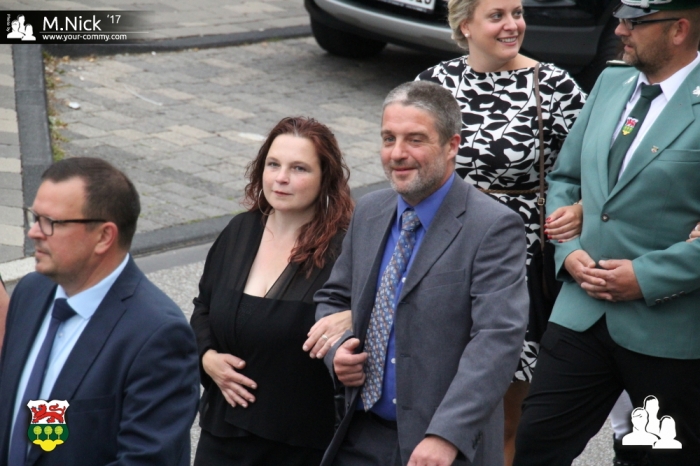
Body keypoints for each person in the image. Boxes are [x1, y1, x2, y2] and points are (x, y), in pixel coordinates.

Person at [514, 1, 700, 465]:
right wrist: (568, 249)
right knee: (535, 444)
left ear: (679, 30)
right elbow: (565, 179)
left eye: (634, 22)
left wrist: (647, 277)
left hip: (666, 328)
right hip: (581, 312)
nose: (619, 30)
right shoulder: (611, 82)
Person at [315, 80, 529, 466]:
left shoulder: (492, 227)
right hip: (360, 435)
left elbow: (497, 341)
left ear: (452, 145)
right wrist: (337, 349)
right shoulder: (369, 211)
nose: (397, 153)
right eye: (388, 138)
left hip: (442, 447)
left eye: (415, 140)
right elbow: (333, 299)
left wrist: (446, 436)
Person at [415, 0, 586, 462]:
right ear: (465, 25)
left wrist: (581, 208)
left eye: (518, 12)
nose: (513, 25)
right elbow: (410, 167)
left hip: (518, 262)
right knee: (432, 396)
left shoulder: (552, 85)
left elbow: (601, 167)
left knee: (507, 414)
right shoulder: (435, 85)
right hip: (443, 256)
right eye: (497, 16)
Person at [0, 157, 200, 466]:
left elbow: (146, 460)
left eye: (51, 222)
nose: (34, 232)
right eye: (34, 217)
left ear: (104, 237)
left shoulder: (158, 337)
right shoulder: (31, 291)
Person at [190, 116, 354, 465]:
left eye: (299, 168)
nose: (281, 178)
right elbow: (203, 306)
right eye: (273, 164)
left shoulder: (344, 250)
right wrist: (206, 357)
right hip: (222, 434)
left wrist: (356, 315)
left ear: (325, 178)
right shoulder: (239, 231)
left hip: (298, 444)